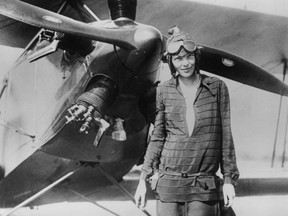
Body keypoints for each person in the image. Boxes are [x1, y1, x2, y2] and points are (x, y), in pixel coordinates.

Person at [134, 27, 240, 216]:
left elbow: (226, 136)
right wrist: (143, 180)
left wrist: (228, 180)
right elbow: (158, 136)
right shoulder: (164, 90)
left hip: (203, 184)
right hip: (168, 184)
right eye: (178, 59)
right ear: (171, 62)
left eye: (189, 57)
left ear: (196, 57)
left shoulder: (217, 88)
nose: (185, 64)